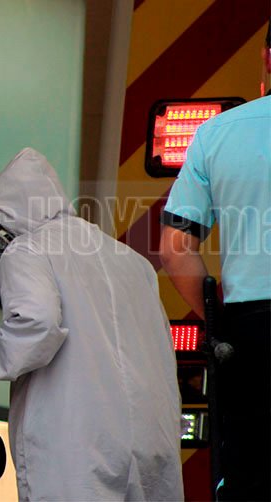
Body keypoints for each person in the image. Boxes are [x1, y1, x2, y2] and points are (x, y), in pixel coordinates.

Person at [0, 148, 183, 501]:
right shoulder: (133, 262)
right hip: (153, 443)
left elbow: (37, 324)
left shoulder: (27, 250)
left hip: (78, 446)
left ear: (9, 216)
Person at [158, 83, 270, 498]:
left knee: (252, 477)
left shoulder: (218, 132)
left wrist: (221, 326)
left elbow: (175, 249)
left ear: (267, 59)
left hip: (252, 331)